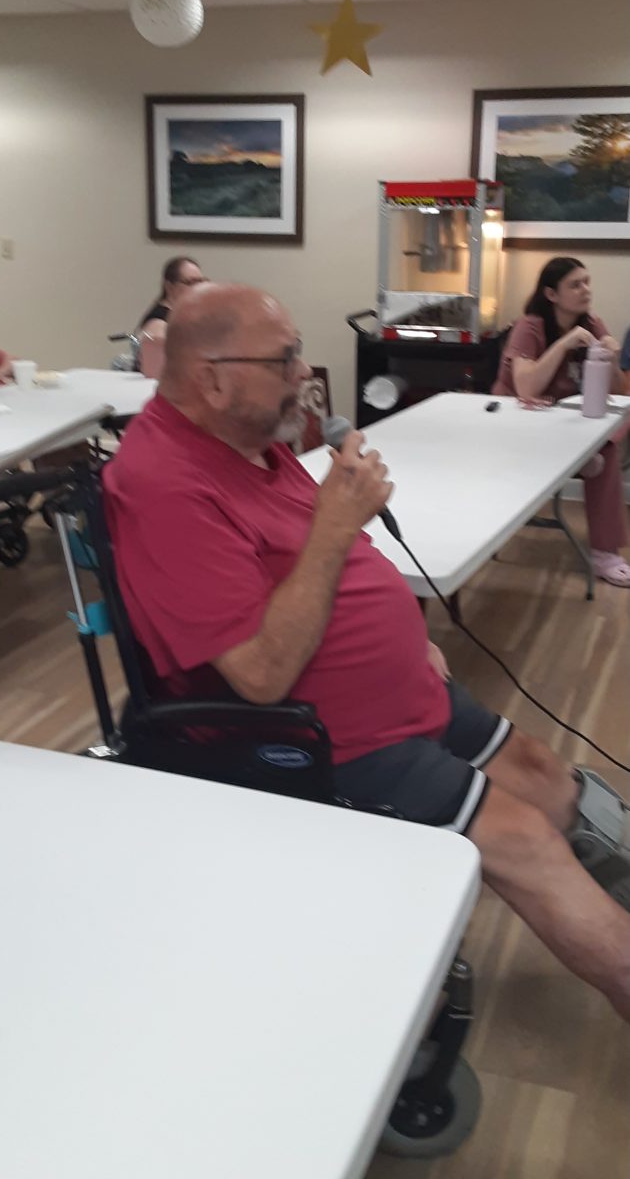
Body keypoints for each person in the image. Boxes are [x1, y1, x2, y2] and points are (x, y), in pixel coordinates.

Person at [104, 282, 630, 1023]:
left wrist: (407, 633)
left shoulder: (248, 441)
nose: (303, 373)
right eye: (284, 359)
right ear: (211, 379)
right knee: (524, 840)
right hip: (320, 737)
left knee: (542, 772)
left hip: (398, 690)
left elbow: (325, 565)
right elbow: (259, 677)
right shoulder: (163, 485)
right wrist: (337, 522)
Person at [494, 257, 630, 587]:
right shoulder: (530, 327)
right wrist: (564, 344)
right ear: (552, 294)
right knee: (602, 450)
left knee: (611, 439)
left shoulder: (592, 324)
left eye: (587, 282)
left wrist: (611, 360)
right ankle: (588, 459)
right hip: (520, 423)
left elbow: (618, 393)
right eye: (575, 284)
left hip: (564, 423)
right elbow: (526, 388)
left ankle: (604, 553)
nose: (586, 290)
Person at [137, 256, 206, 377]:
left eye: (200, 282)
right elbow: (160, 368)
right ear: (169, 287)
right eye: (190, 283)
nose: (198, 288)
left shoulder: (188, 316)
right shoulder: (158, 324)